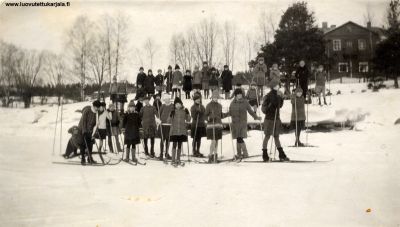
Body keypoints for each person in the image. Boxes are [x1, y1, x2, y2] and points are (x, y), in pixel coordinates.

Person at [226, 88, 261, 159]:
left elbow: (250, 111)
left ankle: (245, 153)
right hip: (235, 123)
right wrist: (222, 115)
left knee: (240, 138)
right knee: (237, 138)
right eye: (238, 94)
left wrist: (256, 117)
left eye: (240, 94)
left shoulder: (245, 102)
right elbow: (230, 112)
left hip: (242, 123)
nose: (240, 95)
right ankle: (239, 154)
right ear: (235, 95)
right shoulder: (232, 103)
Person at [261, 80, 290, 162]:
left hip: (276, 118)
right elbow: (266, 108)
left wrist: (281, 98)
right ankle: (265, 155)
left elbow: (279, 106)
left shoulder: (278, 94)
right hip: (269, 119)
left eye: (278, 85)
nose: (278, 86)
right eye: (277, 85)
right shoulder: (269, 95)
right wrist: (274, 102)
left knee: (276, 137)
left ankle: (281, 154)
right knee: (267, 136)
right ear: (273, 86)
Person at [168, 97, 191, 166]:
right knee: (174, 144)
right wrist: (170, 115)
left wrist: (187, 113)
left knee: (180, 145)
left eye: (179, 104)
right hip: (174, 131)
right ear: (174, 105)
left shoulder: (183, 111)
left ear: (181, 104)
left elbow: (188, 120)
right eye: (176, 104)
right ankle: (173, 159)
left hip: (181, 131)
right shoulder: (173, 111)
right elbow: (168, 121)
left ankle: (178, 159)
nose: (178, 105)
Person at [78, 100, 101, 165]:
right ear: (94, 106)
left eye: (98, 107)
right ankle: (83, 159)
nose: (98, 108)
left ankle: (89, 158)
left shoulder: (96, 113)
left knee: (90, 144)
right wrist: (84, 131)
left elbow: (95, 123)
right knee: (83, 144)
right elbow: (83, 121)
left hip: (90, 131)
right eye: (97, 107)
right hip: (82, 129)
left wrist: (94, 132)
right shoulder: (87, 110)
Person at [205, 90, 224, 163]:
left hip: (218, 125)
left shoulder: (220, 105)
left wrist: (228, 113)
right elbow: (205, 116)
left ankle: (215, 155)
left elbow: (221, 115)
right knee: (213, 141)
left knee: (217, 141)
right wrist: (209, 118)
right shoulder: (208, 105)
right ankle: (210, 155)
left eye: (216, 97)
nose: (215, 98)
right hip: (211, 125)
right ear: (212, 97)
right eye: (214, 97)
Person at [190, 92, 206, 158]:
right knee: (195, 138)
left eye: (199, 99)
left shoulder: (202, 106)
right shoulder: (193, 107)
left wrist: (201, 112)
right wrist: (196, 113)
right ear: (194, 100)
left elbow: (204, 114)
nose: (198, 100)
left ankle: (198, 150)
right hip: (195, 124)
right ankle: (194, 151)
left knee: (199, 139)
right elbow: (193, 116)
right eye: (196, 99)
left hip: (201, 124)